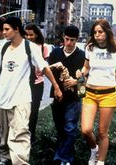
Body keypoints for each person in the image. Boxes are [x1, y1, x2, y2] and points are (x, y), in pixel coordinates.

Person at [0, 16, 63, 165]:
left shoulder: (30, 47)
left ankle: (20, 162)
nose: (3, 32)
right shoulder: (3, 47)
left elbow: (44, 68)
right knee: (4, 133)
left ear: (16, 29)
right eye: (3, 29)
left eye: (7, 29)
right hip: (3, 97)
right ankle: (5, 158)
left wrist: (56, 86)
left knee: (20, 133)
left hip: (21, 98)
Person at [76, 19, 116, 165]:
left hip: (109, 93)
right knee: (86, 130)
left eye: (100, 32)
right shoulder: (90, 47)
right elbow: (86, 68)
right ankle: (94, 150)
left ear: (107, 32)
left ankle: (100, 161)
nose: (97, 35)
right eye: (95, 32)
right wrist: (81, 73)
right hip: (90, 92)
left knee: (102, 132)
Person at [48, 25, 85, 165]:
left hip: (74, 98)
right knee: (60, 128)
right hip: (57, 96)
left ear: (77, 40)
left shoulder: (82, 55)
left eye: (72, 40)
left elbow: (86, 81)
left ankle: (64, 158)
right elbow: (47, 72)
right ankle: (63, 155)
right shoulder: (55, 53)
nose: (68, 43)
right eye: (66, 39)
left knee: (70, 128)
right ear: (63, 37)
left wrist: (76, 82)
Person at [25, 23, 49, 143]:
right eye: (27, 35)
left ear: (36, 34)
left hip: (37, 83)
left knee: (33, 111)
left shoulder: (42, 47)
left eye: (31, 35)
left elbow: (45, 65)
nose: (29, 37)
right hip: (24, 83)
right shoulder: (22, 46)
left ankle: (31, 136)